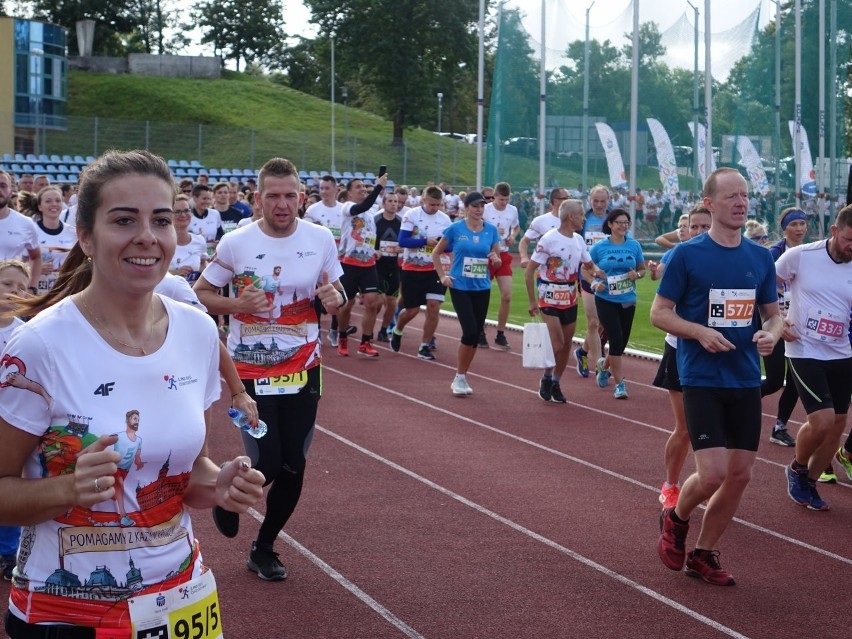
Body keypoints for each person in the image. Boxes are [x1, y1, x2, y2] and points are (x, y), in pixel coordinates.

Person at [0, 149, 265, 633]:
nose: (147, 237)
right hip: (70, 615)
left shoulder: (198, 331)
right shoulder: (39, 345)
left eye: (161, 221)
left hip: (183, 600)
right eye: (124, 220)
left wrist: (219, 484)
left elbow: (191, 471)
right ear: (85, 235)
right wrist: (67, 489)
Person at [194, 157, 345, 581]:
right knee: (271, 459)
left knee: (294, 463)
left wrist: (336, 298)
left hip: (305, 369)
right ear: (258, 199)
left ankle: (264, 547)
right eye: (273, 196)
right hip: (251, 372)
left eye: (290, 195)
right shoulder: (236, 242)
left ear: (302, 197)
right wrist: (238, 304)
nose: (283, 204)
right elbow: (202, 292)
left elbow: (336, 288)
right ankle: (228, 495)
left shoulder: (320, 238)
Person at [652, 167, 782, 586]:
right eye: (731, 196)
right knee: (712, 475)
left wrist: (771, 335)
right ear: (709, 203)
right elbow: (659, 313)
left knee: (740, 475)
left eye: (744, 195)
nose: (741, 202)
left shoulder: (760, 258)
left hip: (745, 378)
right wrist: (699, 331)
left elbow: (773, 315)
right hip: (703, 378)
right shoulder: (686, 255)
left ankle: (703, 555)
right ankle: (676, 518)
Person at [778, 205, 852, 511]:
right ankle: (797, 467)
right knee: (820, 419)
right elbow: (767, 283)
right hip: (804, 347)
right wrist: (778, 319)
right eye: (850, 239)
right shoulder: (801, 256)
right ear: (835, 231)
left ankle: (810, 480)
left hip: (840, 350)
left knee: (837, 423)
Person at [649, 205, 712, 509]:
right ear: (685, 229)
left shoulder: (726, 255)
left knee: (716, 427)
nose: (699, 232)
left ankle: (707, 481)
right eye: (694, 227)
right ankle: (671, 485)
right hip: (681, 349)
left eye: (704, 227)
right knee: (685, 427)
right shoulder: (678, 255)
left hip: (716, 351)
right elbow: (661, 306)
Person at [525, 199, 595, 403]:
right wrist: (532, 301)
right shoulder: (549, 239)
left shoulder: (579, 240)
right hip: (548, 296)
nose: (584, 218)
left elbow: (589, 264)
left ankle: (555, 381)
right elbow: (529, 272)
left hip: (570, 297)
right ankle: (546, 377)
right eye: (582, 214)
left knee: (565, 346)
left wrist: (600, 271)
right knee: (557, 343)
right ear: (571, 217)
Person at [431, 192, 500, 395]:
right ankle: (459, 376)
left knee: (475, 334)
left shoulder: (491, 231)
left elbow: (496, 259)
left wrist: (496, 260)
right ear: (466, 207)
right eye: (475, 206)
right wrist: (443, 276)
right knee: (469, 331)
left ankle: (462, 376)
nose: (479, 210)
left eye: (482, 206)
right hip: (460, 286)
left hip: (482, 287)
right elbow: (436, 252)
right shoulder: (455, 228)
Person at [762, 207, 808, 448]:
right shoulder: (773, 254)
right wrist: (778, 317)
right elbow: (764, 289)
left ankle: (779, 427)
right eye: (794, 224)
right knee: (773, 381)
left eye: (802, 224)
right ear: (784, 228)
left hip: (799, 326)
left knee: (796, 383)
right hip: (774, 322)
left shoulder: (808, 254)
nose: (799, 229)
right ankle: (735, 404)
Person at [588, 209, 646, 398]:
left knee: (620, 344)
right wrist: (594, 282)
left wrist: (635, 275)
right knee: (615, 337)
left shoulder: (634, 245)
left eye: (626, 222)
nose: (623, 225)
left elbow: (642, 269)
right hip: (606, 299)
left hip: (628, 299)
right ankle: (620, 384)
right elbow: (585, 268)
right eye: (619, 222)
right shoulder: (599, 247)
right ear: (610, 224)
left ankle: (604, 367)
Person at [391, 185, 452, 360]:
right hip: (413, 268)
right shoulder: (412, 215)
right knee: (412, 310)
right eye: (431, 204)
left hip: (435, 270)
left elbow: (451, 245)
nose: (435, 208)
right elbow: (402, 241)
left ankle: (424, 345)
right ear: (423, 200)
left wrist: (442, 245)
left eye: (438, 205)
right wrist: (425, 241)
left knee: (434, 306)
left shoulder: (445, 220)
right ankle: (398, 329)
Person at [334, 175, 387, 357]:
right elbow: (362, 206)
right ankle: (342, 336)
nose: (363, 189)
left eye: (364, 186)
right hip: (349, 263)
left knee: (372, 303)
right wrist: (378, 188)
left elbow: (373, 234)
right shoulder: (348, 208)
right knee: (346, 305)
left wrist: (376, 249)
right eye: (358, 187)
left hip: (368, 264)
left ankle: (365, 342)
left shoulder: (372, 212)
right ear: (349, 193)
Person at [0, 260, 28, 581]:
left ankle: (9, 551)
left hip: (12, 420)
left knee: (10, 480)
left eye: (21, 287)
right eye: (8, 285)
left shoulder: (25, 331)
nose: (15, 292)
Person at [573, 185, 610, 379]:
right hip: (587, 275)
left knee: (603, 323)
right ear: (590, 201)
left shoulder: (614, 220)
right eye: (595, 201)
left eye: (603, 201)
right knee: (593, 322)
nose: (599, 205)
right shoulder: (584, 220)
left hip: (608, 276)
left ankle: (583, 352)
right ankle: (599, 364)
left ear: (608, 201)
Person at [305, 175, 344, 347]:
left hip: (340, 259)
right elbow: (304, 235)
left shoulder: (344, 210)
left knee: (338, 295)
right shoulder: (313, 210)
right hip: (317, 261)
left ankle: (335, 329)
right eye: (321, 188)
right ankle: (317, 329)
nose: (324, 192)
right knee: (317, 296)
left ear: (336, 190)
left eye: (327, 188)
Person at [481, 182, 520, 349]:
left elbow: (516, 227)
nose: (504, 203)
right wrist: (492, 234)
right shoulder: (486, 209)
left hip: (503, 255)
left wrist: (512, 235)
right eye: (501, 199)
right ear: (494, 196)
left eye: (506, 199)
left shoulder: (512, 210)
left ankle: (500, 333)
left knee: (507, 296)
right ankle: (479, 330)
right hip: (486, 255)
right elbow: (476, 227)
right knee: (481, 295)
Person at [18, 187, 77, 295]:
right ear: (40, 206)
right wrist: (35, 268)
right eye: (48, 201)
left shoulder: (73, 232)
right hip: (36, 292)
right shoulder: (30, 230)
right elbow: (18, 262)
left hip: (64, 293)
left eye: (58, 200)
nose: (54, 204)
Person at [0, 171, 42, 293]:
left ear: (11, 191)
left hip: (12, 295)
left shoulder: (25, 223)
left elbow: (36, 257)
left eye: (3, 185)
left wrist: (32, 287)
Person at [374, 191, 403, 342]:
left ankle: (383, 330)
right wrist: (374, 250)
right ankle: (368, 331)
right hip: (378, 266)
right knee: (377, 302)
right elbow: (367, 240)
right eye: (390, 201)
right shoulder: (376, 221)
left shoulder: (401, 222)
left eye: (395, 201)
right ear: (384, 204)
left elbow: (406, 243)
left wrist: (402, 249)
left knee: (392, 302)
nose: (393, 204)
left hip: (393, 266)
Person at [518, 187, 570, 269]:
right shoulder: (541, 221)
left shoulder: (573, 220)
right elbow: (524, 241)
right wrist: (524, 258)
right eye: (566, 198)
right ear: (556, 201)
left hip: (568, 272)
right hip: (545, 273)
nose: (569, 201)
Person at [170, 193, 208, 282]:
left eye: (186, 211)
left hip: (194, 294)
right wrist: (175, 273)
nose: (183, 215)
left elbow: (203, 264)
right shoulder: (161, 242)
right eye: (177, 212)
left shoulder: (199, 240)